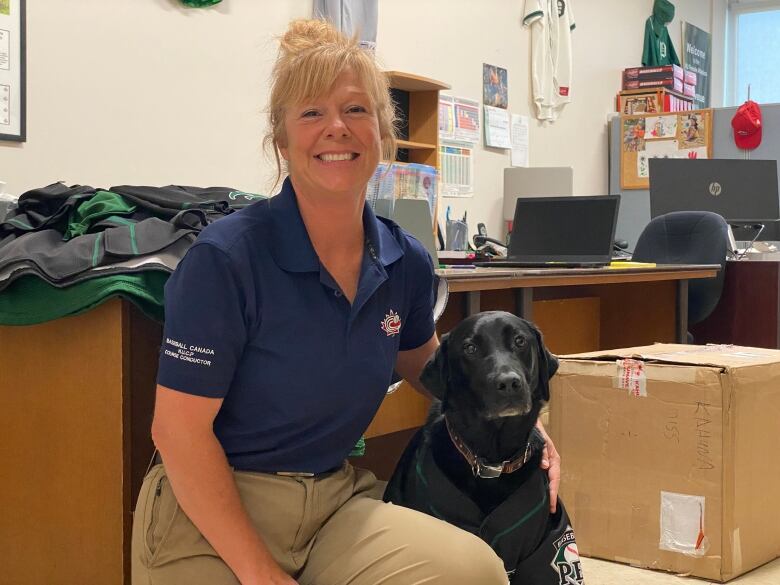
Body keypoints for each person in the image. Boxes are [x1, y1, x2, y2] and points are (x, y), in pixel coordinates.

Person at [131, 18, 560, 585]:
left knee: (473, 572)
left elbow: (435, 371)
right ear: (281, 140)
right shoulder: (226, 260)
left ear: (383, 132)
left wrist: (529, 431)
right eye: (311, 113)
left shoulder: (404, 262)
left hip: (332, 504)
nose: (336, 127)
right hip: (210, 506)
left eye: (357, 111)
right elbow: (178, 435)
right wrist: (261, 574)